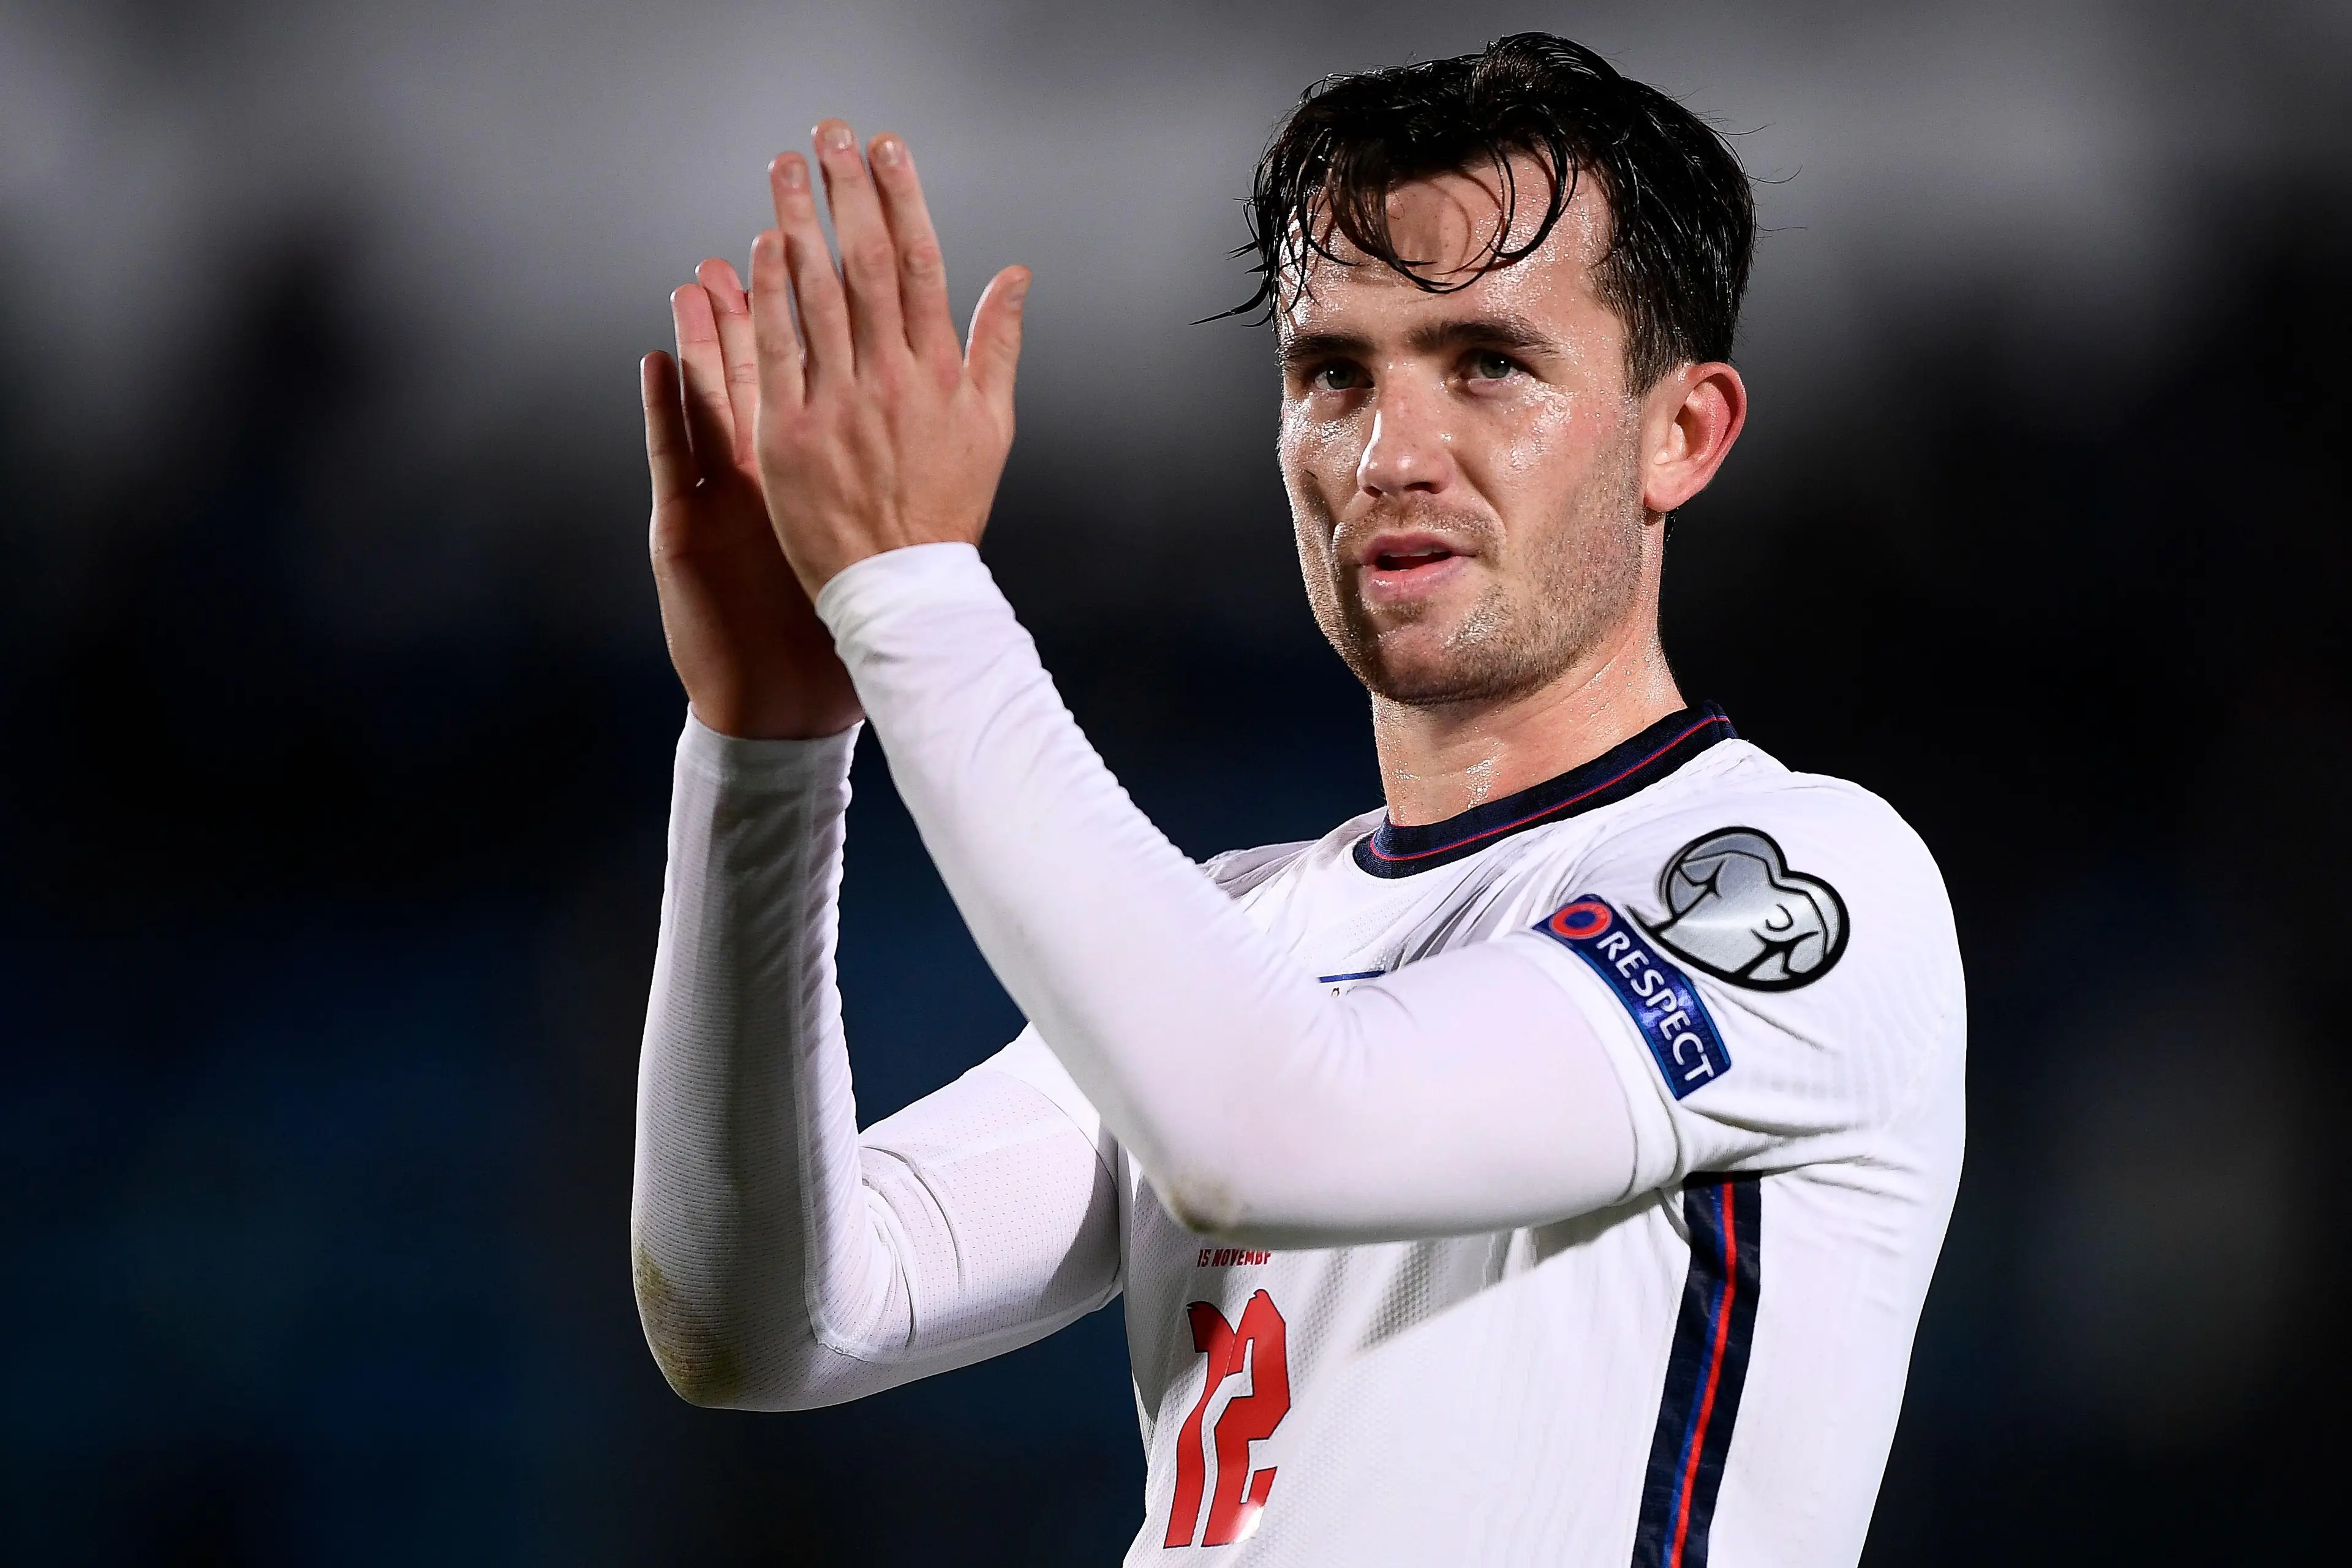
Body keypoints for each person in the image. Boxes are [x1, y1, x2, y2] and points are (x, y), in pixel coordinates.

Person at [630, 32, 1962, 1566]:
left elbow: (1270, 1124)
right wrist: (765, 744)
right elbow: (765, 1320)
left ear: (1684, 433)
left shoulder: (1807, 880)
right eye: (1334, 372)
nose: (1393, 454)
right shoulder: (1239, 934)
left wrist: (917, 595)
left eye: (1490, 364)